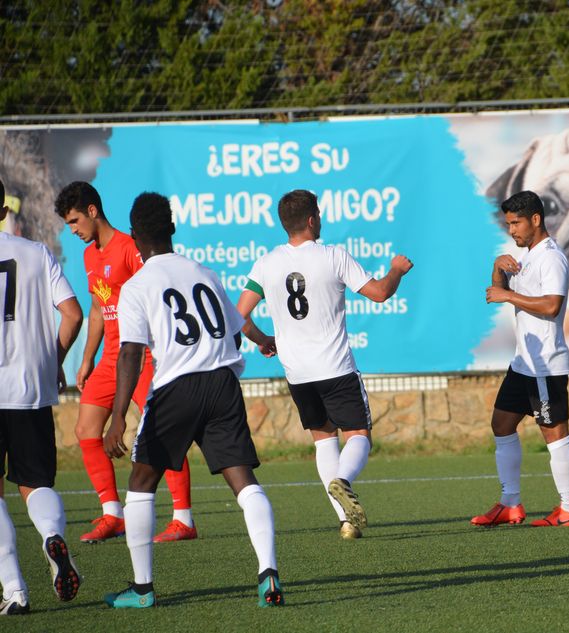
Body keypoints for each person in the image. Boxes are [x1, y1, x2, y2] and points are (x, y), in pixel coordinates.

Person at [102, 192, 282, 608]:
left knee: (141, 483)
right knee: (243, 482)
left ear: (133, 236)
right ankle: (268, 574)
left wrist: (117, 419)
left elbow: (130, 353)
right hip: (222, 383)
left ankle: (143, 590)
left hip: (177, 387)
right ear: (173, 229)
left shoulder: (137, 286)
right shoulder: (204, 271)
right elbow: (237, 328)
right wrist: (262, 341)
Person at [237, 189, 413, 540]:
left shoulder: (266, 263)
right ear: (312, 219)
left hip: (298, 374)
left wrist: (263, 340)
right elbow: (379, 293)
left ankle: (347, 521)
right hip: (335, 368)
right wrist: (396, 270)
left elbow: (238, 315)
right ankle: (343, 481)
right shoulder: (332, 256)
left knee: (323, 441)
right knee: (359, 435)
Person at [54, 182, 195, 543]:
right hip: (110, 360)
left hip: (142, 356)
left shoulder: (130, 248)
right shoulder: (89, 256)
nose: (73, 231)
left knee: (164, 432)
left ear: (91, 211)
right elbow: (99, 310)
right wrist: (86, 360)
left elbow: (157, 288)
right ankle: (113, 515)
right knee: (86, 429)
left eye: (73, 222)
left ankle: (183, 518)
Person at [471, 190, 569, 528]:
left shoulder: (551, 258)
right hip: (524, 364)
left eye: (516, 223)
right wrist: (498, 271)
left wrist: (508, 294)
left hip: (546, 365)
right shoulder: (529, 256)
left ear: (536, 219)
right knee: (501, 424)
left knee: (554, 432)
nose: (512, 230)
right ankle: (510, 504)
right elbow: (496, 293)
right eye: (508, 224)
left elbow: (551, 305)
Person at [0, 179, 84, 614]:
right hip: (31, 388)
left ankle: (14, 589)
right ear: (3, 208)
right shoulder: (36, 253)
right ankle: (53, 537)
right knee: (36, 483)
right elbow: (72, 313)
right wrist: (53, 362)